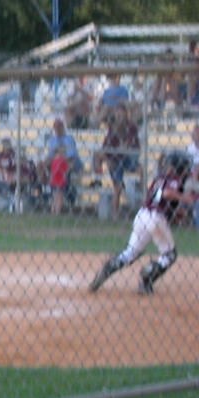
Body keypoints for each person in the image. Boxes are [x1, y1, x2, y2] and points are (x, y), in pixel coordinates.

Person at [89, 151, 193, 295]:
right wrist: (184, 198)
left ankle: (109, 268)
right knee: (170, 255)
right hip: (156, 218)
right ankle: (147, 278)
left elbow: (160, 198)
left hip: (142, 215)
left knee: (131, 252)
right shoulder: (174, 179)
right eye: (186, 167)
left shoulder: (159, 178)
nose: (187, 170)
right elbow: (167, 193)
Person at [91, 104, 141, 218]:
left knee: (140, 170)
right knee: (117, 188)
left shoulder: (131, 127)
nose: (118, 114)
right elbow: (106, 148)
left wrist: (121, 149)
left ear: (125, 113)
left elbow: (128, 146)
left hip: (127, 159)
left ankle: (141, 193)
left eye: (121, 112)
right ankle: (115, 214)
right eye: (117, 112)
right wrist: (108, 159)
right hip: (115, 161)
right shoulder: (112, 128)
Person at [42, 118, 82, 207]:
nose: (57, 129)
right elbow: (50, 155)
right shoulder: (52, 140)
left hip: (69, 161)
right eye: (55, 127)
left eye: (59, 127)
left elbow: (71, 156)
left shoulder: (68, 139)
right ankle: (46, 185)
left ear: (62, 127)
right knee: (41, 165)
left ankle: (60, 186)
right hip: (57, 161)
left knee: (62, 163)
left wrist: (59, 157)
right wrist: (45, 162)